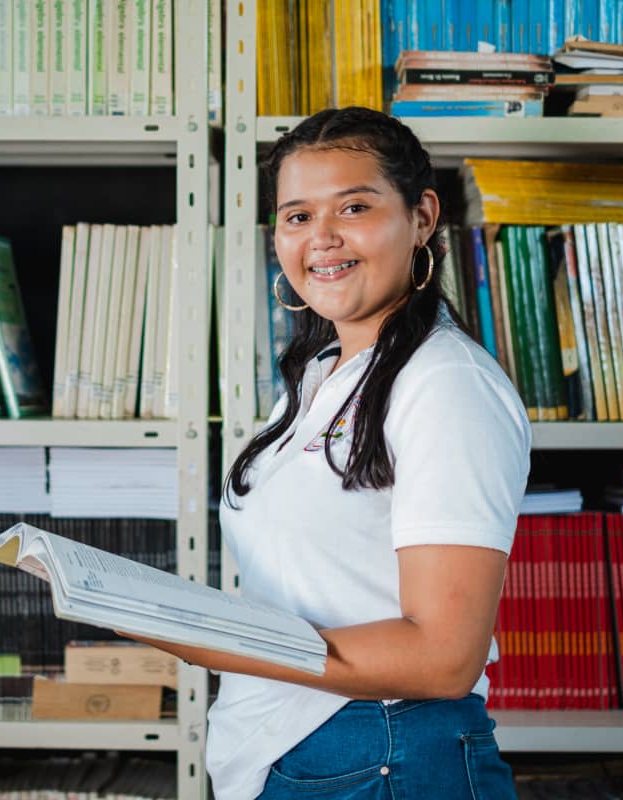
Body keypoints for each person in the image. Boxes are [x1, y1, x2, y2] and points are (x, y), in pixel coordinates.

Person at [132, 106, 530, 799]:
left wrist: (197, 634)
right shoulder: (321, 375)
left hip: (386, 755)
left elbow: (442, 656)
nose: (322, 238)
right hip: (299, 752)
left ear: (422, 216)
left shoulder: (446, 384)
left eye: (353, 206)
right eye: (296, 216)